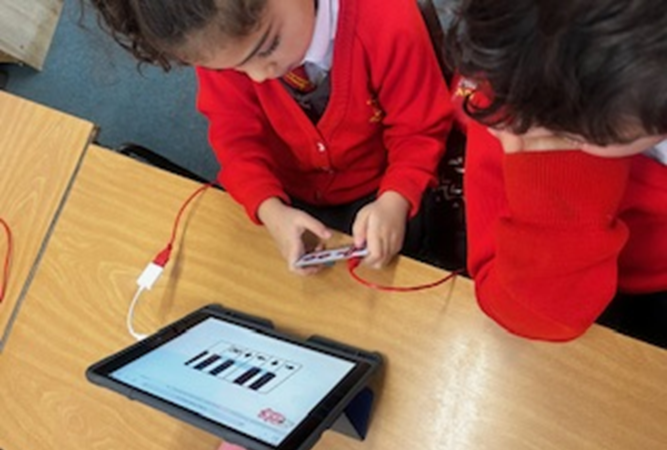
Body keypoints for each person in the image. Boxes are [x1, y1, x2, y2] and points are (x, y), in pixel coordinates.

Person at [89, 0, 453, 274]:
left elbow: (419, 129)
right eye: (235, 68)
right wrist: (270, 209)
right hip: (291, 196)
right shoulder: (224, 38)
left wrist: (395, 201)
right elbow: (235, 136)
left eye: (267, 47)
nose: (259, 76)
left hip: (387, 187)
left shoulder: (385, 20)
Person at [446, 0, 667, 342]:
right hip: (593, 287)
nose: (541, 130)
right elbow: (524, 309)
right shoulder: (516, 108)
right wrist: (548, 161)